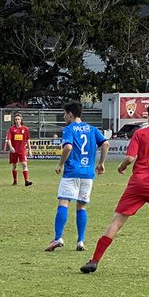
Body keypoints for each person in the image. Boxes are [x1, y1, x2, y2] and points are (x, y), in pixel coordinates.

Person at [80, 100, 149, 276]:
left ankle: (94, 261)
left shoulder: (140, 134)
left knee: (117, 221)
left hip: (137, 184)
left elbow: (130, 158)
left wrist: (122, 167)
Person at [45, 102, 107, 252]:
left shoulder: (69, 129)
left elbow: (68, 147)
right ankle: (80, 241)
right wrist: (101, 163)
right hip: (88, 174)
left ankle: (58, 237)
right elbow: (106, 144)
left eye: (65, 114)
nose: (64, 116)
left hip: (72, 172)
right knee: (81, 206)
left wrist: (60, 164)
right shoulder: (92, 129)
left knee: (63, 202)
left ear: (71, 114)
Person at [4, 112, 33, 186]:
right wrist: (11, 147)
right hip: (14, 151)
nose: (17, 120)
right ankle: (15, 181)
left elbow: (28, 139)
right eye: (16, 119)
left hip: (22, 150)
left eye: (18, 119)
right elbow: (9, 139)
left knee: (24, 164)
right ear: (14, 120)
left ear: (21, 120)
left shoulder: (25, 129)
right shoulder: (12, 129)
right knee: (15, 165)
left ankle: (26, 181)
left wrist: (29, 150)